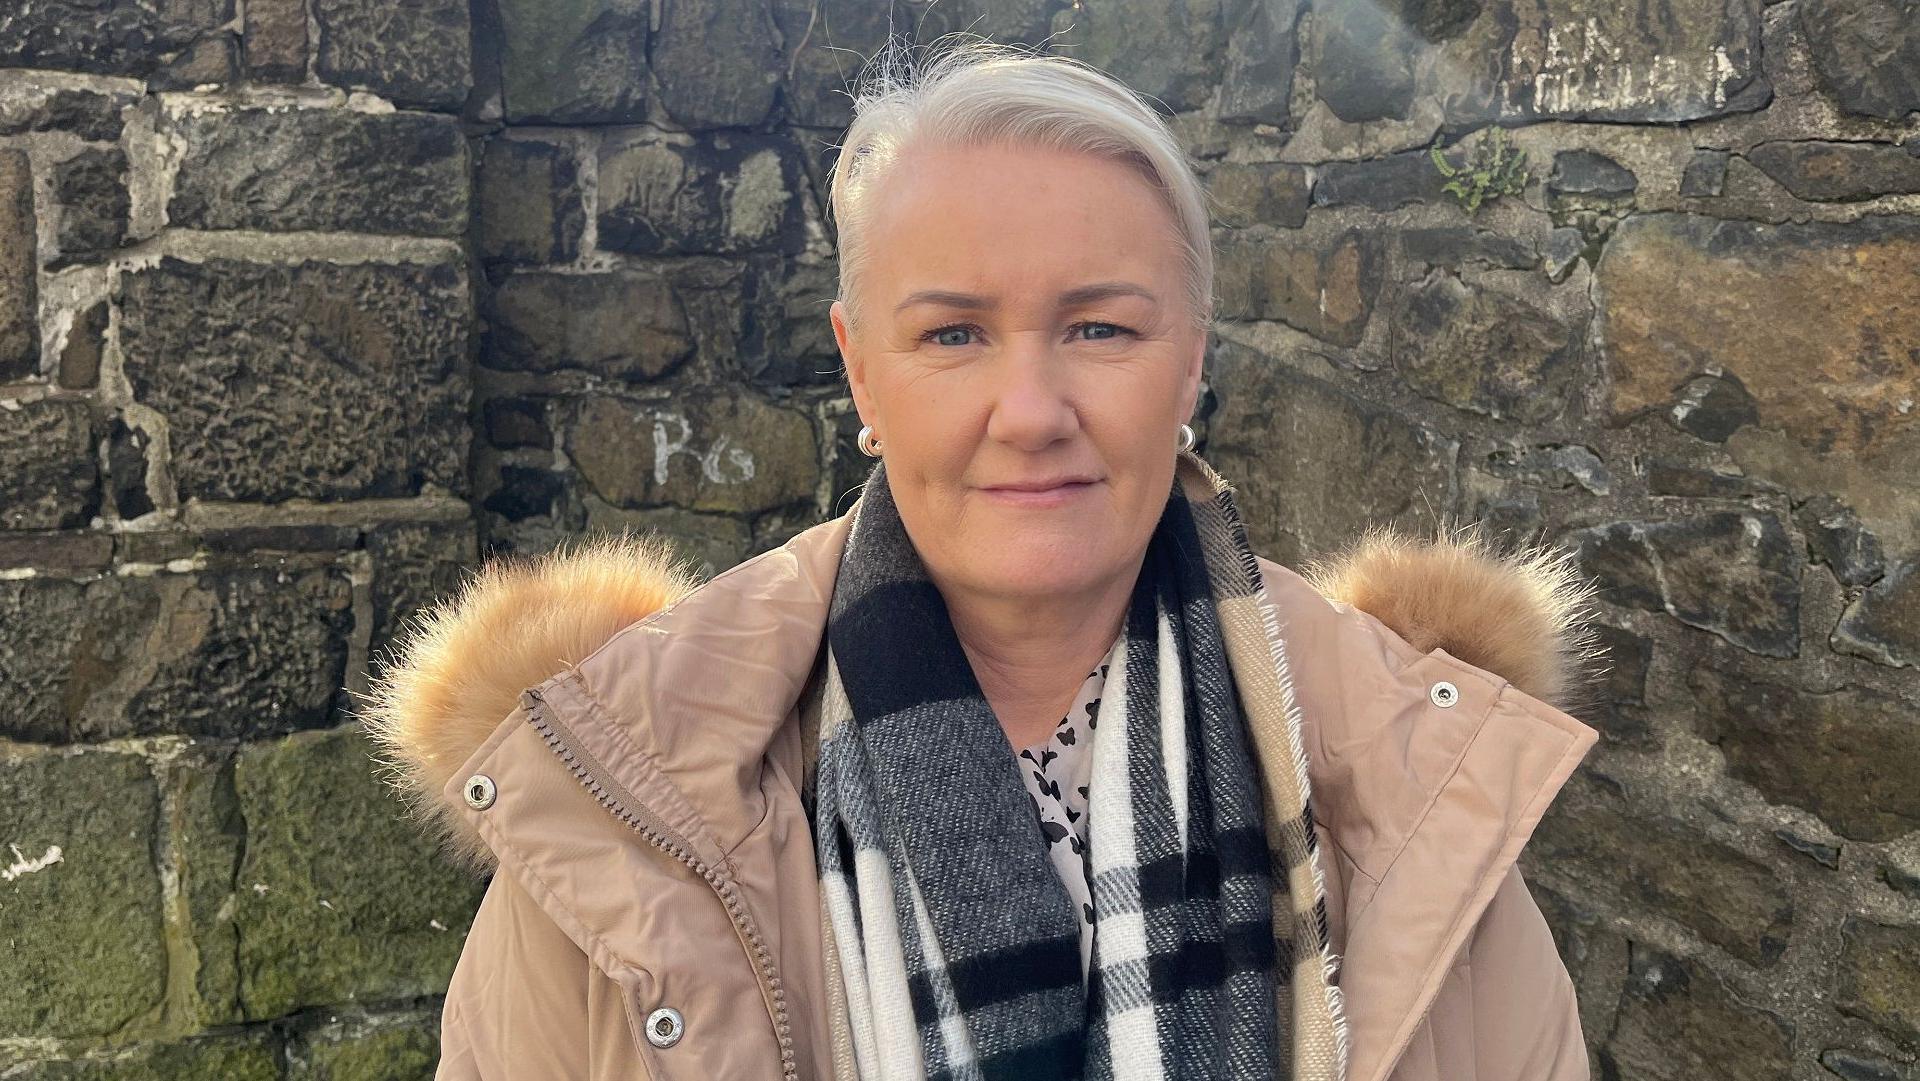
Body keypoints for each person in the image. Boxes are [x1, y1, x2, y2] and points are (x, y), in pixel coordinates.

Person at [363, 38, 1603, 1081]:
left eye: (1100, 326)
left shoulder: (1414, 780)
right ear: (861, 370)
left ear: (1190, 365)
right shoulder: (626, 792)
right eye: (952, 332)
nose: (1029, 408)